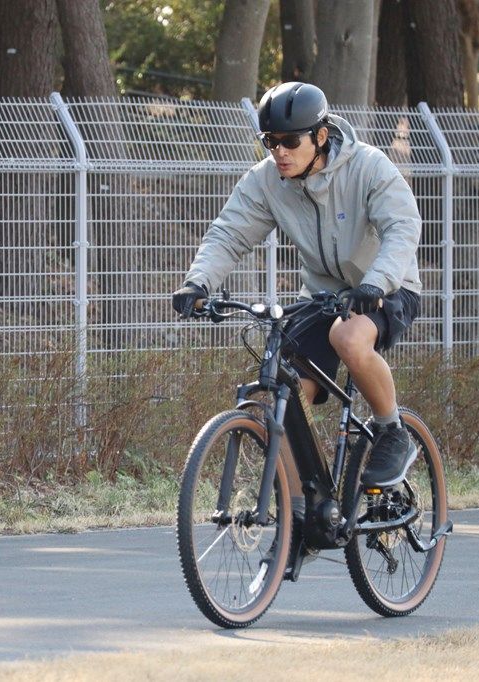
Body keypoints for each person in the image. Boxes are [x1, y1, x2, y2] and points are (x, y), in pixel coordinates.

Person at [171, 81, 422, 488]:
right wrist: (197, 283)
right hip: (323, 297)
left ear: (321, 137)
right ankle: (303, 503)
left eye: (290, 141)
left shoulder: (369, 167)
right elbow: (229, 234)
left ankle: (392, 430)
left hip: (387, 287)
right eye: (270, 141)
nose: (279, 153)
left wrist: (376, 282)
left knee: (349, 338)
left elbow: (402, 227)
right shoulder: (267, 180)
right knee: (286, 388)